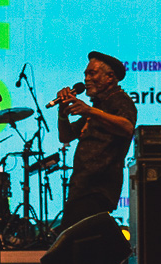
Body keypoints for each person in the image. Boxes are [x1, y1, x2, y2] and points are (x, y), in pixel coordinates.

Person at [54, 51, 137, 230]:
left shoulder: (119, 100)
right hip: (83, 187)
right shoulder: (96, 106)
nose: (86, 79)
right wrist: (62, 112)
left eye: (92, 73)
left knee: (77, 244)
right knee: (76, 245)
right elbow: (66, 136)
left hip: (98, 188)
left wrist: (89, 111)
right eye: (85, 74)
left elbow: (127, 127)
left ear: (110, 77)